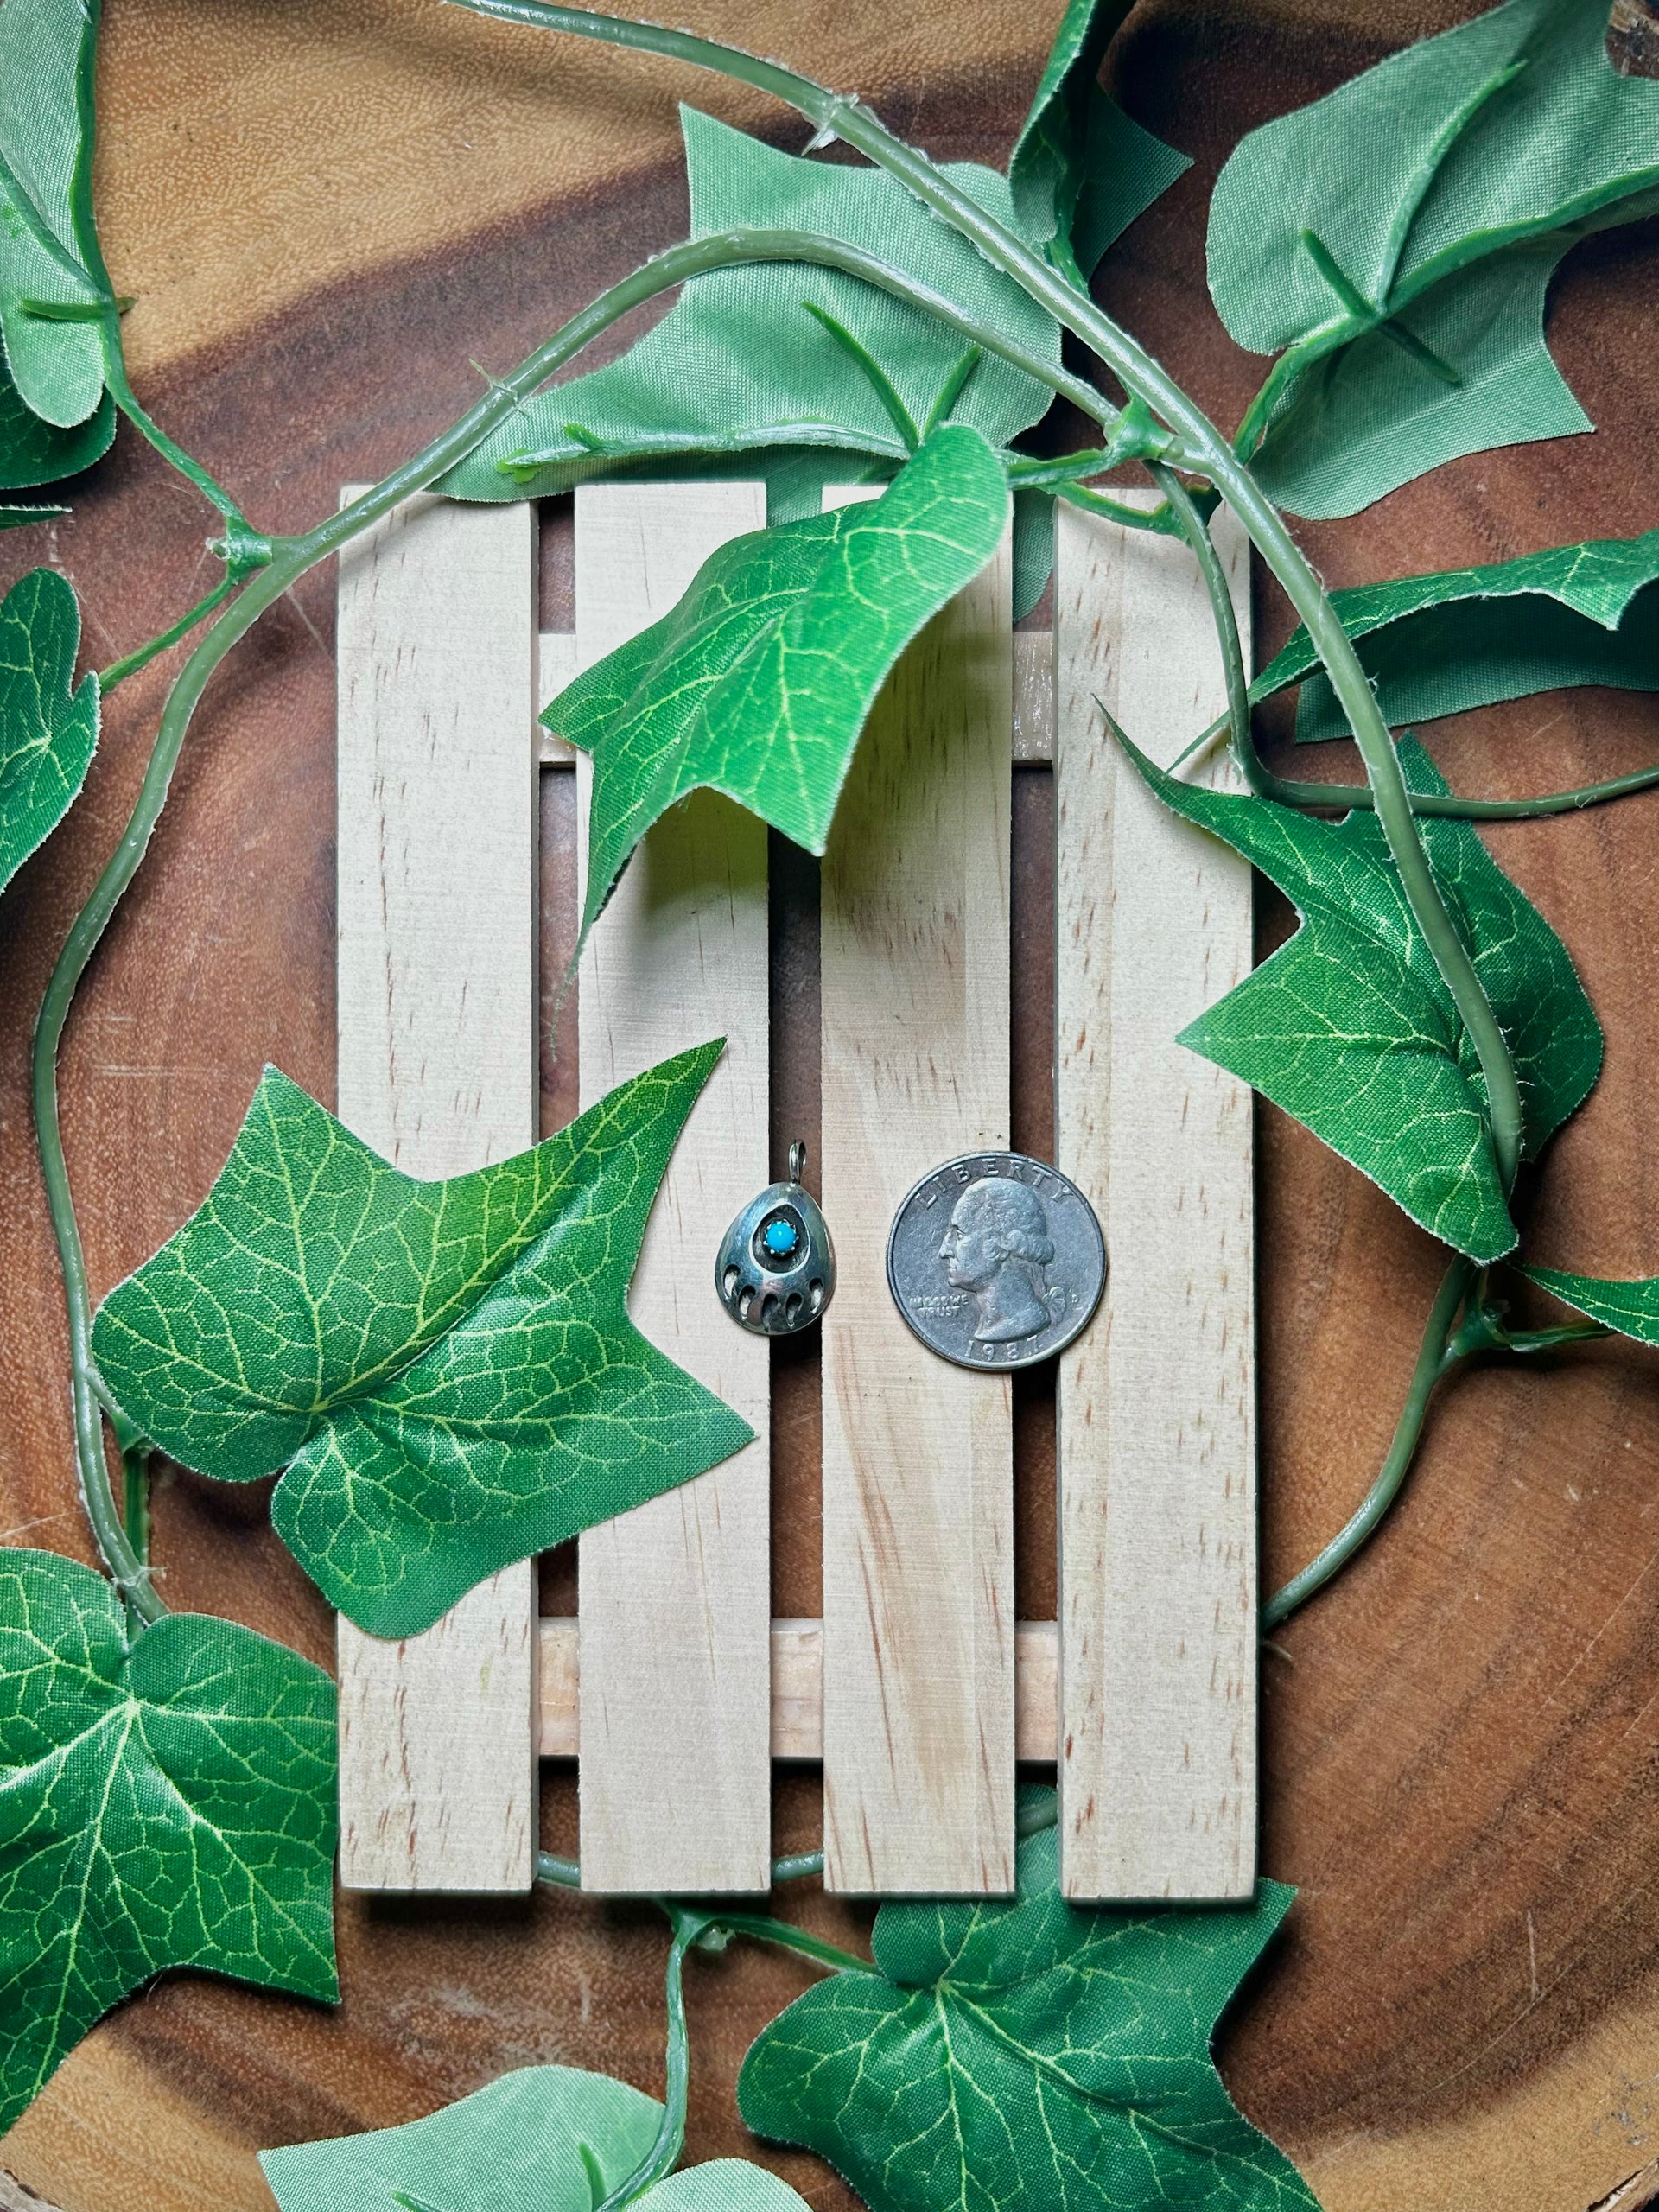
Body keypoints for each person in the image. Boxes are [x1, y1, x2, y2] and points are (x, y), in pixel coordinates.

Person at [938, 1175, 1065, 1344]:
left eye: (959, 1235)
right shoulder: (991, 1324)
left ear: (1002, 1244)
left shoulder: (1021, 1323)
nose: (944, 1251)